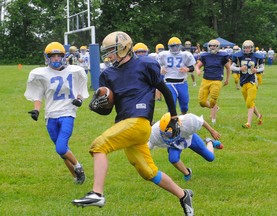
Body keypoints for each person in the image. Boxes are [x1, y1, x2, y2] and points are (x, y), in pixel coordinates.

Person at [72, 31, 194, 216]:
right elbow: (107, 110)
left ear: (124, 48)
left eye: (111, 51)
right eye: (106, 52)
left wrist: (174, 117)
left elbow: (166, 91)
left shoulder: (145, 64)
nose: (108, 56)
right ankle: (184, 195)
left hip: (139, 122)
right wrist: (97, 106)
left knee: (99, 146)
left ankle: (97, 193)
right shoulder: (108, 74)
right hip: (126, 124)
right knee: (148, 172)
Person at [24, 42, 89, 184]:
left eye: (58, 56)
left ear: (64, 57)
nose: (55, 59)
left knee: (60, 147)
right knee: (62, 152)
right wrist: (36, 110)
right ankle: (76, 178)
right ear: (47, 58)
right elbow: (38, 95)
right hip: (50, 116)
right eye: (52, 56)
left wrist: (79, 100)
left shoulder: (74, 71)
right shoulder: (41, 74)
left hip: (67, 113)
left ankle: (79, 167)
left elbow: (79, 88)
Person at [149, 112, 223, 181]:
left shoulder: (188, 121)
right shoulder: (155, 132)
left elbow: (201, 121)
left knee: (210, 157)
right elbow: (149, 145)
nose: (168, 137)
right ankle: (187, 173)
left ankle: (210, 142)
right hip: (175, 144)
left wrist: (212, 131)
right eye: (166, 134)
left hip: (189, 138)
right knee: (173, 158)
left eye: (170, 134)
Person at [195, 39, 230, 124]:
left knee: (213, 100)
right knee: (202, 102)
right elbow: (197, 66)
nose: (212, 47)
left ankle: (213, 120)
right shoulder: (205, 55)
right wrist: (198, 70)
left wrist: (227, 79)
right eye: (210, 46)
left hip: (217, 80)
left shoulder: (222, 56)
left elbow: (228, 68)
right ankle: (215, 108)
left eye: (214, 46)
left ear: (218, 47)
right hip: (206, 80)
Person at [158, 37, 196, 115]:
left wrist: (187, 69)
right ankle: (172, 121)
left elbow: (192, 67)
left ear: (180, 46)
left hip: (182, 82)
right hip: (169, 82)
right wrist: (160, 69)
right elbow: (156, 65)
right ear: (169, 47)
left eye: (176, 46)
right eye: (172, 46)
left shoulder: (186, 54)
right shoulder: (163, 54)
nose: (175, 48)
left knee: (184, 105)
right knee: (171, 103)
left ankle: (183, 117)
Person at [230, 40, 264, 128]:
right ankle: (259, 115)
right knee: (250, 102)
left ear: (252, 48)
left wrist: (257, 70)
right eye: (245, 48)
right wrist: (239, 69)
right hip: (243, 82)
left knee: (249, 103)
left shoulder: (257, 56)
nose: (247, 49)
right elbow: (231, 67)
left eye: (249, 47)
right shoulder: (239, 55)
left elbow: (262, 68)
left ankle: (248, 123)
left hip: (253, 82)